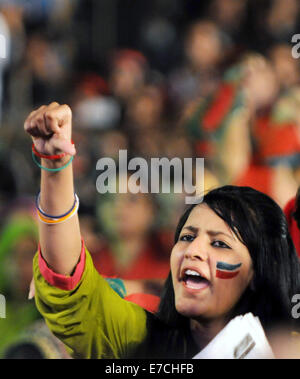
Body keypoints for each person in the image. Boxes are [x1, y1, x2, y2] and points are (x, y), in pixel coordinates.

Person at [25, 103, 300, 359]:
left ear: (257, 272)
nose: (193, 250)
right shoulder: (141, 337)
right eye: (187, 237)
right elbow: (73, 295)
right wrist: (55, 165)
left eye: (219, 244)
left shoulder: (287, 349)